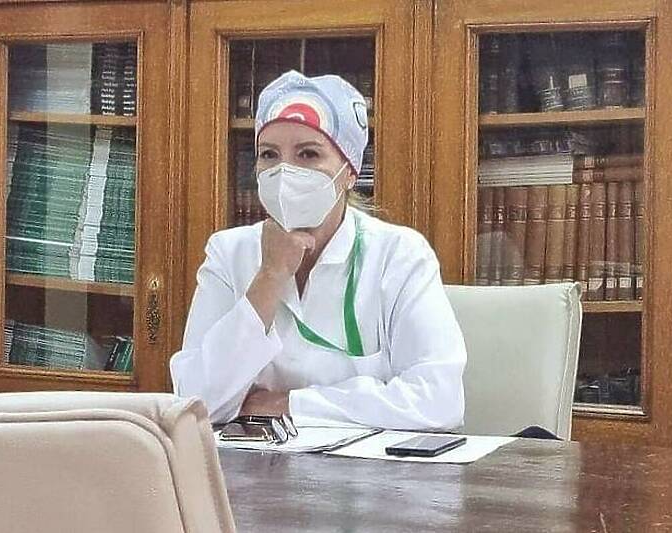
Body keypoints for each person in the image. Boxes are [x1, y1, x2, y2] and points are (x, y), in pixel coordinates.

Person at [170, 70, 466, 430]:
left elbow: (439, 400)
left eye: (308, 154)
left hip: (364, 466)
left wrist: (288, 404)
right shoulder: (228, 253)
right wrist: (270, 276)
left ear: (350, 171)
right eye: (269, 155)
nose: (285, 172)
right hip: (252, 462)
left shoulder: (399, 255)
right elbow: (195, 405)